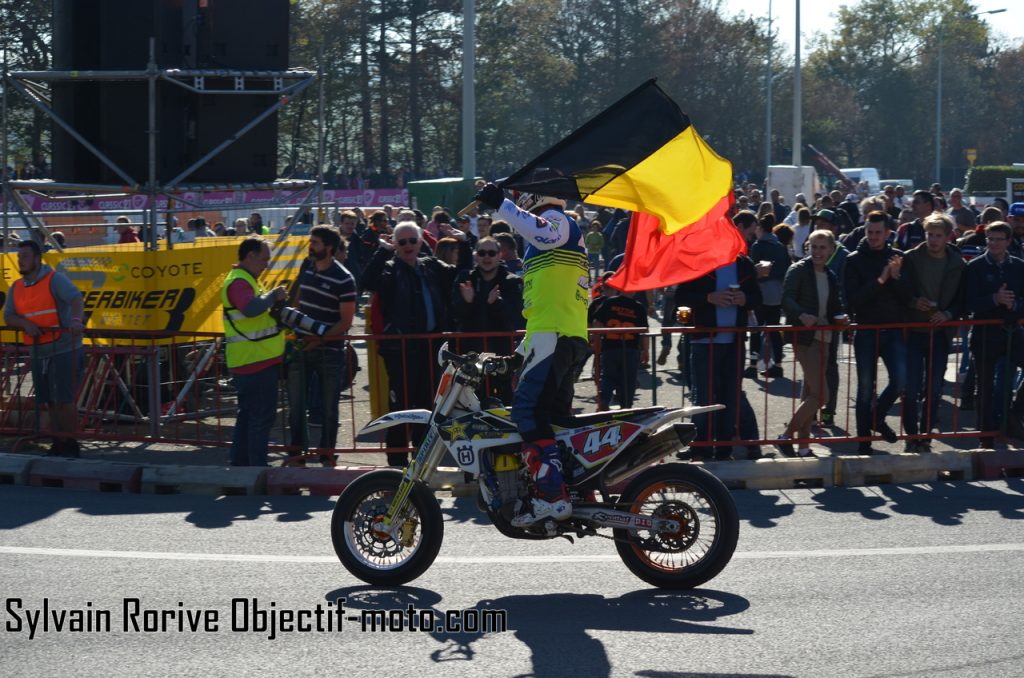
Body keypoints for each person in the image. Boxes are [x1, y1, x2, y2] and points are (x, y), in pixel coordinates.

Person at [474, 182, 590, 526]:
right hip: (557, 333)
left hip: (556, 335)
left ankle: (551, 496)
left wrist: (501, 206)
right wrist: (518, 356)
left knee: (526, 411)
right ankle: (574, 487)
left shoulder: (557, 221)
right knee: (553, 418)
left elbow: (543, 232)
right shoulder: (545, 240)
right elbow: (541, 307)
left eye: (520, 197)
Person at [361, 221, 457, 467]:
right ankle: (396, 464)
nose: (408, 246)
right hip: (401, 351)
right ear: (396, 244)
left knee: (426, 408)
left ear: (420, 242)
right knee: (401, 408)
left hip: (429, 349)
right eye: (402, 242)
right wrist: (382, 250)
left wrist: (464, 244)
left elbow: (458, 273)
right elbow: (367, 281)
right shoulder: (390, 269)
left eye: (412, 241)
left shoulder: (430, 266)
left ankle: (422, 462)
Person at [673, 243, 763, 461]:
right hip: (704, 340)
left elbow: (757, 298)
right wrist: (708, 298)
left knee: (729, 398)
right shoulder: (699, 259)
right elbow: (680, 297)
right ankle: (700, 448)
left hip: (734, 341)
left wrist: (745, 299)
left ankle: (724, 449)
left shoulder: (744, 264)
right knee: (702, 398)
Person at [3, 240, 85, 456]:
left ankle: (71, 443)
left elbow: (76, 298)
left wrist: (77, 320)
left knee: (64, 400)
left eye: (26, 256)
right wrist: (25, 324)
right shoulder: (17, 287)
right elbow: (9, 316)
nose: (21, 260)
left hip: (63, 348)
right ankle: (58, 441)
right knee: (48, 399)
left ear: (38, 259)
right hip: (39, 350)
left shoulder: (54, 279)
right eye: (19, 256)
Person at [287, 225, 357, 464]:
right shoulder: (306, 267)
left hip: (330, 352)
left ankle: (327, 453)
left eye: (315, 242)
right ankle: (295, 454)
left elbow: (346, 321)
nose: (310, 246)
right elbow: (297, 302)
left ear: (328, 247)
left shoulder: (345, 279)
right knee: (296, 406)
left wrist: (319, 339)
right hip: (300, 347)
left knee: (329, 407)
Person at [844, 213, 911, 454]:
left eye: (878, 232)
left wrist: (897, 278)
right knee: (864, 388)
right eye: (869, 232)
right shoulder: (853, 260)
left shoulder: (899, 258)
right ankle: (864, 441)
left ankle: (877, 418)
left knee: (901, 380)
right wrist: (882, 279)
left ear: (887, 233)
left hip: (893, 330)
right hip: (866, 330)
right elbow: (853, 301)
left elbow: (908, 299)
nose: (873, 237)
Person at [899, 213, 965, 452]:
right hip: (914, 330)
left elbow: (961, 299)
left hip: (940, 332)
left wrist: (948, 314)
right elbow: (901, 290)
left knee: (935, 386)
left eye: (938, 236)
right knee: (911, 386)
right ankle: (911, 435)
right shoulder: (911, 258)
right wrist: (913, 301)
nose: (933, 240)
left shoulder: (957, 263)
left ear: (948, 237)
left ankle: (926, 433)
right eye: (930, 234)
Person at [221, 238, 288, 466]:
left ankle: (241, 465)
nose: (266, 265)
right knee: (261, 418)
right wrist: (273, 297)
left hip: (251, 360)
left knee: (248, 416)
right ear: (250, 256)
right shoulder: (240, 282)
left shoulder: (245, 279)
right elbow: (250, 309)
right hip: (255, 361)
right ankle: (257, 469)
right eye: (264, 260)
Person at [779, 230, 844, 457]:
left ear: (831, 250)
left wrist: (841, 317)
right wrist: (801, 314)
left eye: (822, 247)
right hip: (805, 337)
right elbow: (786, 298)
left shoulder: (830, 275)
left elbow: (835, 305)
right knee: (822, 395)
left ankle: (804, 447)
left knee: (810, 394)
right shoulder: (798, 270)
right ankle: (786, 435)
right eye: (813, 247)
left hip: (826, 337)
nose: (817, 251)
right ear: (807, 247)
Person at [965, 221, 1024, 448]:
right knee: (985, 386)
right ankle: (986, 437)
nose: (994, 244)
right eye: (990, 239)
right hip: (984, 334)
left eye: (999, 239)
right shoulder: (975, 267)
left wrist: (1015, 304)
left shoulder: (1019, 266)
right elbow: (969, 303)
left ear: (1008, 241)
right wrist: (994, 299)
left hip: (1012, 332)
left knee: (1005, 383)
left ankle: (1013, 414)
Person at [451, 236, 524, 404]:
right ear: (475, 255)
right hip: (470, 356)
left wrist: (496, 304)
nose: (487, 257)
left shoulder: (512, 281)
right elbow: (454, 313)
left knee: (502, 402)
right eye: (482, 252)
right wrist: (467, 302)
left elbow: (514, 317)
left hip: (500, 356)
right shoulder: (465, 279)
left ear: (500, 255)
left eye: (491, 253)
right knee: (470, 403)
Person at [589, 274, 649, 411]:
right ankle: (626, 406)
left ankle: (604, 401)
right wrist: (645, 351)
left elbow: (597, 323)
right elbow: (645, 332)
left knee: (608, 377)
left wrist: (595, 339)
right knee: (628, 379)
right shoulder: (638, 307)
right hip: (630, 348)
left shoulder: (609, 303)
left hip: (610, 347)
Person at [749, 212, 791, 377]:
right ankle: (778, 365)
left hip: (761, 293)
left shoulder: (758, 246)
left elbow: (753, 270)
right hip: (777, 294)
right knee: (774, 331)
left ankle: (752, 365)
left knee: (755, 330)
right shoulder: (780, 246)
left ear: (760, 228)